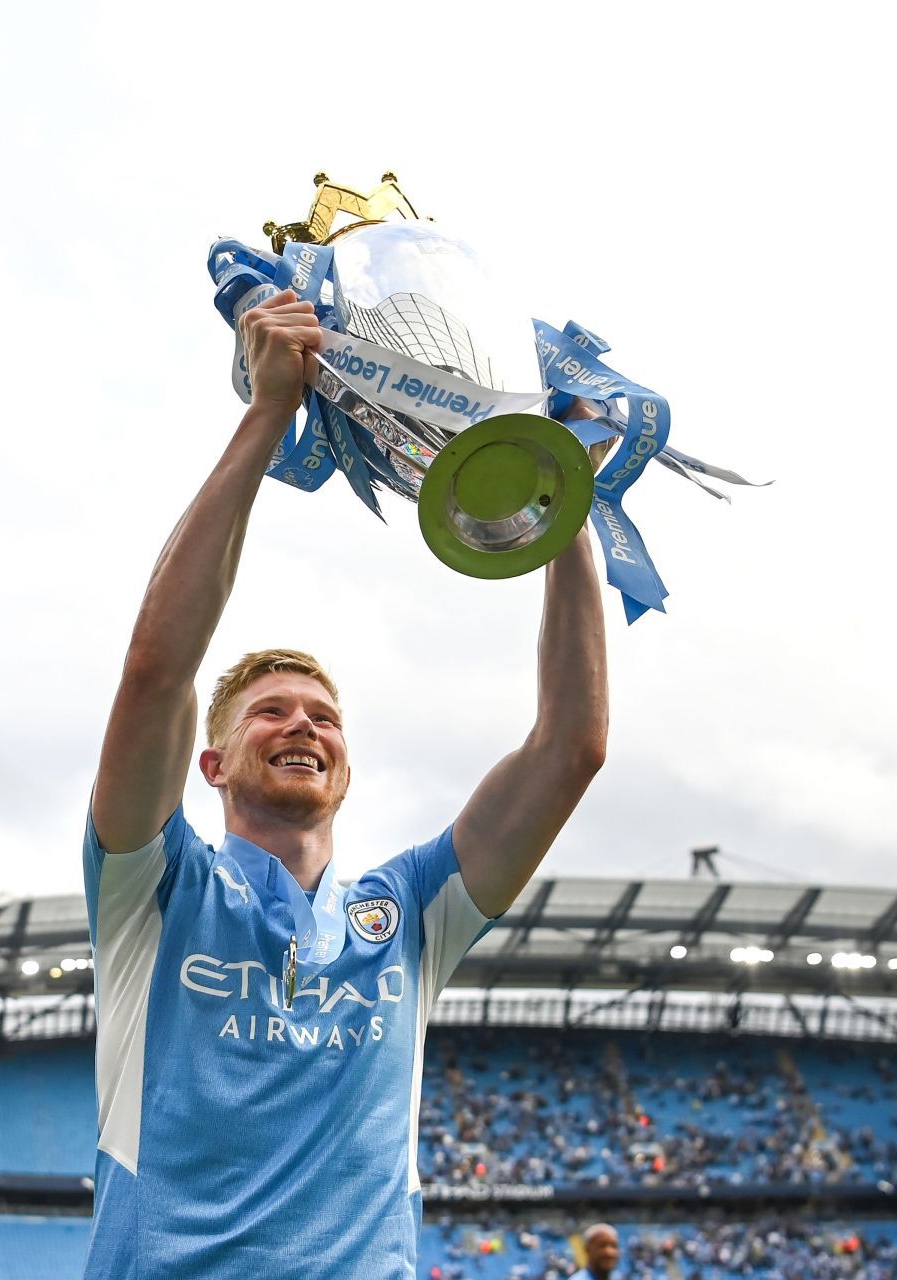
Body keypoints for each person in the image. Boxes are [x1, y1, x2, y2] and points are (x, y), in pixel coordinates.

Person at [80, 288, 609, 1278]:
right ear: (214, 760)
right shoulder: (152, 892)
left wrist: (560, 498)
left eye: (323, 715)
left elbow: (570, 746)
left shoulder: (408, 912)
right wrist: (268, 412)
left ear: (346, 767)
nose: (302, 724)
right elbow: (157, 671)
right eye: (270, 711)